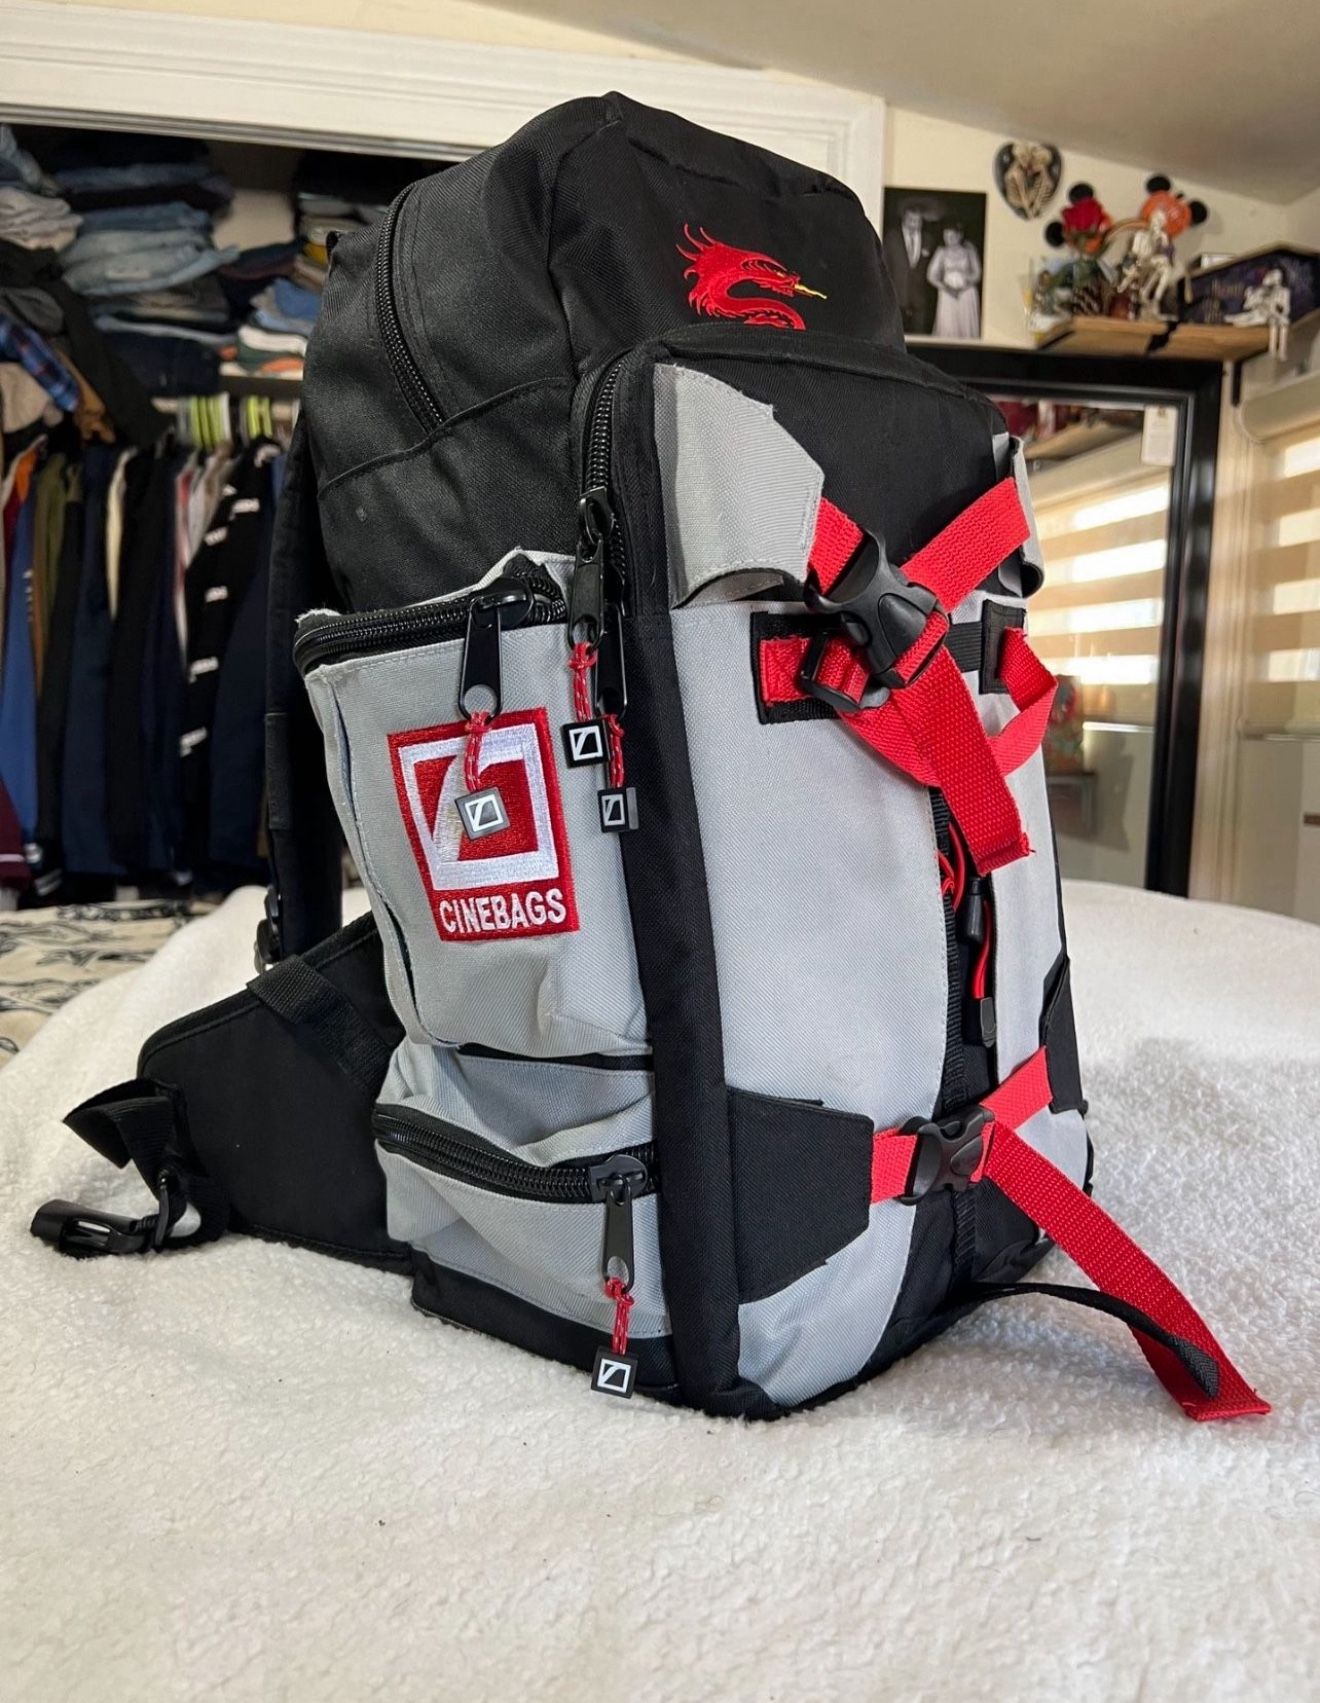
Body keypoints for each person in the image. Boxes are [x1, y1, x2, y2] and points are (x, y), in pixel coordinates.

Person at [882, 204, 935, 334]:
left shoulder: (928, 239)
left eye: (918, 221)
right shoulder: (891, 237)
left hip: (920, 300)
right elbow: (884, 266)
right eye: (911, 220)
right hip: (897, 298)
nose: (914, 224)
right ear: (904, 219)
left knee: (920, 336)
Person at [927, 221, 982, 339]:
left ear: (959, 235)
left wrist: (964, 286)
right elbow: (931, 276)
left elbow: (977, 274)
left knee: (966, 324)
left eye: (952, 236)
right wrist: (947, 288)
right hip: (948, 294)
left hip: (966, 293)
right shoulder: (941, 252)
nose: (949, 240)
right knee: (948, 324)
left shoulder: (969, 251)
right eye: (946, 236)